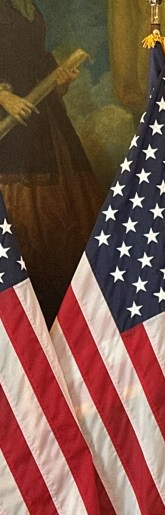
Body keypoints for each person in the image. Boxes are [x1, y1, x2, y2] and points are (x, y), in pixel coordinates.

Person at [0, 0, 104, 324]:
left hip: (43, 119)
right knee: (22, 223)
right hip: (12, 122)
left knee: (67, 219)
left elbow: (36, 63)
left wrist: (60, 79)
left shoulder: (32, 9)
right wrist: (4, 98)